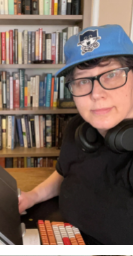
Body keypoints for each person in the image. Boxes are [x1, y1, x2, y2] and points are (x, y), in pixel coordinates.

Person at [17, 25, 133, 244]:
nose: (97, 94)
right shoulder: (78, 128)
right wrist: (33, 196)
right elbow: (64, 173)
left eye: (111, 75)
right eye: (82, 81)